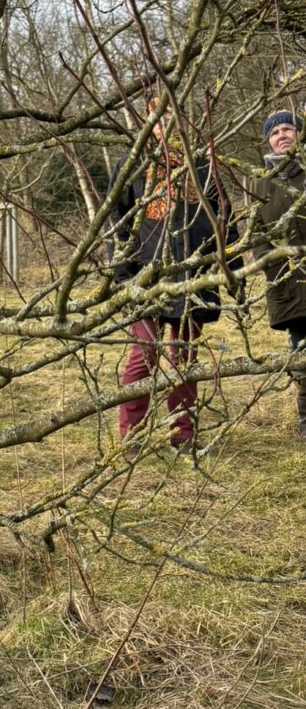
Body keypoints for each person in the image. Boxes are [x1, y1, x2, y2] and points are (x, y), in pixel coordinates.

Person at [107, 99, 237, 450]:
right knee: (144, 354)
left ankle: (183, 435)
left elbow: (223, 218)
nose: (166, 124)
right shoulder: (131, 167)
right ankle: (130, 437)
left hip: (191, 277)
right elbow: (115, 223)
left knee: (185, 358)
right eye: (159, 117)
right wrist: (123, 275)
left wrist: (231, 268)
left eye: (172, 117)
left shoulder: (202, 168)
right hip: (146, 278)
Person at [253, 109, 306, 435]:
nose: (282, 135)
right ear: (269, 140)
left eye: (288, 129)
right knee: (301, 350)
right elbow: (255, 234)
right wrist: (272, 261)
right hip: (286, 280)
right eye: (275, 132)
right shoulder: (259, 183)